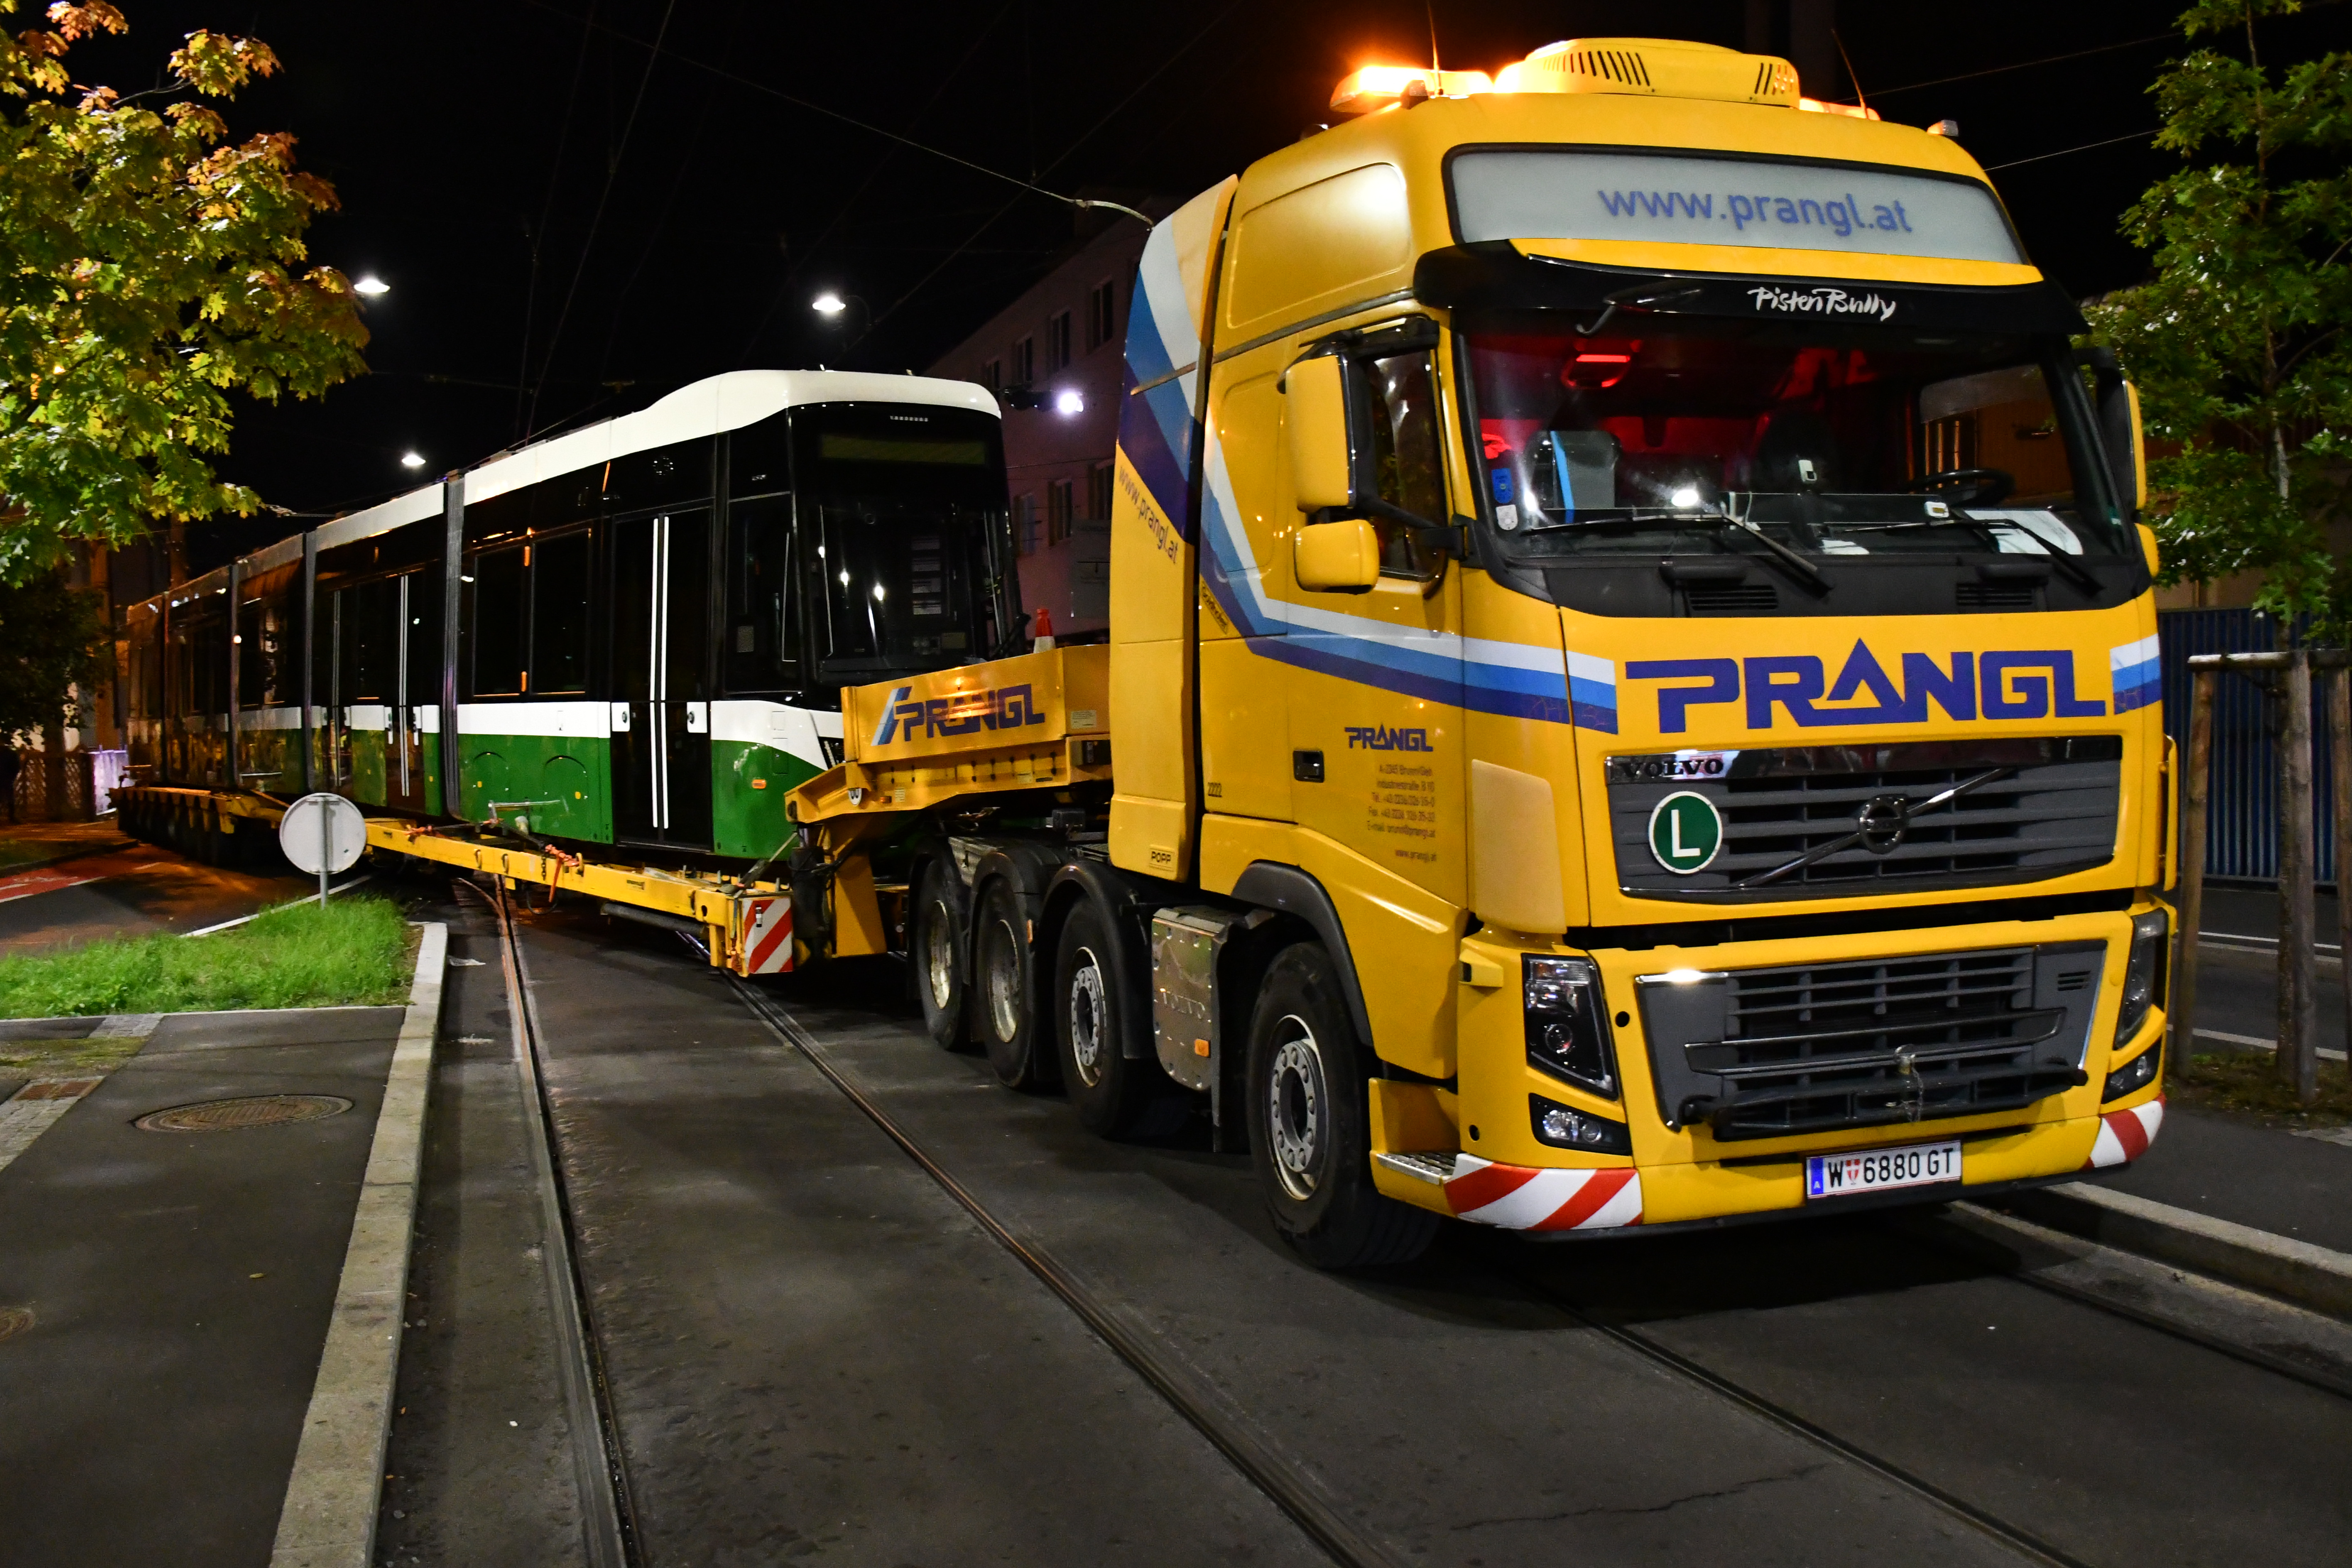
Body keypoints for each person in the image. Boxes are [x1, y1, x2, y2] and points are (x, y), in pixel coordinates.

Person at [0, 745, 20, 824]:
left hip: (6, 778)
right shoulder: (12, 754)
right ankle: (12, 817)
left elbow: (16, 767)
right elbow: (16, 767)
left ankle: (11, 817)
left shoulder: (11, 754)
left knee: (8, 797)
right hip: (8, 779)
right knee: (9, 797)